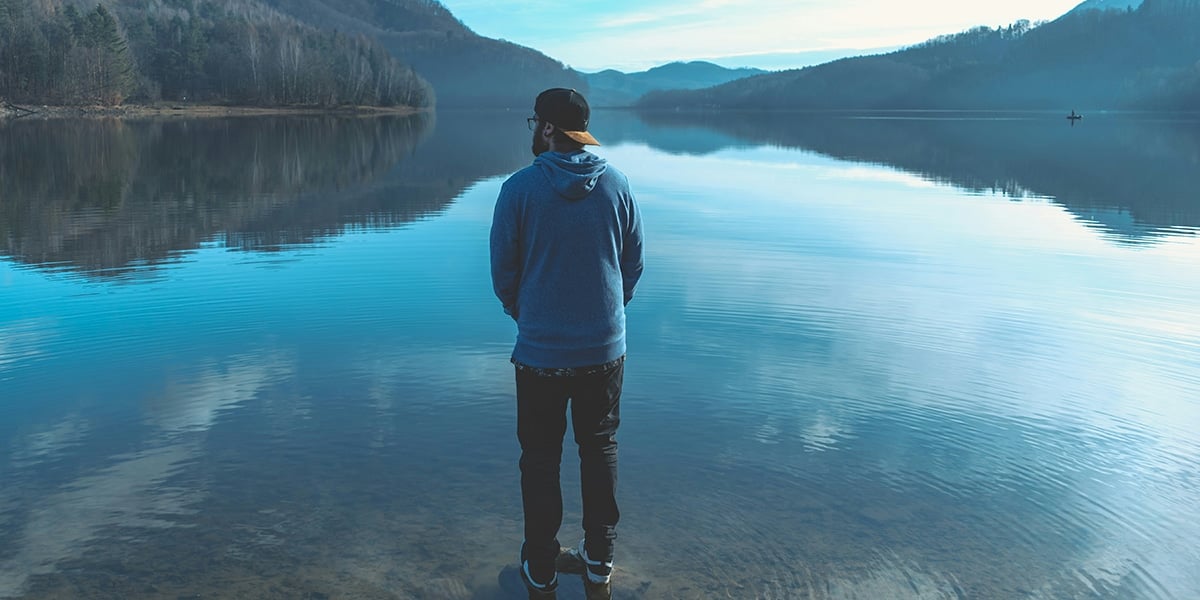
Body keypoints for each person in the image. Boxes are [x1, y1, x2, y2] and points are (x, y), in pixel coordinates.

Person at [490, 88, 644, 596]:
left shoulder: (518, 189)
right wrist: (606, 317)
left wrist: (527, 316)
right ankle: (599, 562)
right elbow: (632, 265)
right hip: (605, 351)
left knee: (539, 458)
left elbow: (503, 274)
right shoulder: (618, 185)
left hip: (539, 355)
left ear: (550, 129)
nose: (533, 129)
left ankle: (541, 567)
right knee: (599, 449)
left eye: (536, 121)